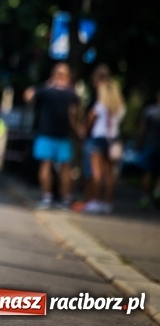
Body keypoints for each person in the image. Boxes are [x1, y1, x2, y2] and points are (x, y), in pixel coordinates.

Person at [23, 63, 82, 210]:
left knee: (45, 165)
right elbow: (75, 115)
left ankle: (46, 197)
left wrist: (47, 84)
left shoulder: (45, 91)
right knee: (65, 167)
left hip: (45, 134)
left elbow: (28, 95)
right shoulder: (72, 94)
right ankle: (65, 199)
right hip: (64, 136)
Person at [83, 77, 126, 214]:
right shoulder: (120, 107)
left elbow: (91, 120)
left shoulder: (100, 105)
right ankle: (107, 203)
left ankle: (94, 201)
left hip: (99, 138)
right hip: (113, 139)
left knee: (96, 172)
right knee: (110, 174)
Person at [136, 90, 160, 210]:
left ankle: (145, 198)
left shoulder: (150, 111)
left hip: (150, 145)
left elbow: (142, 128)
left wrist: (139, 142)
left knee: (147, 172)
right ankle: (157, 191)